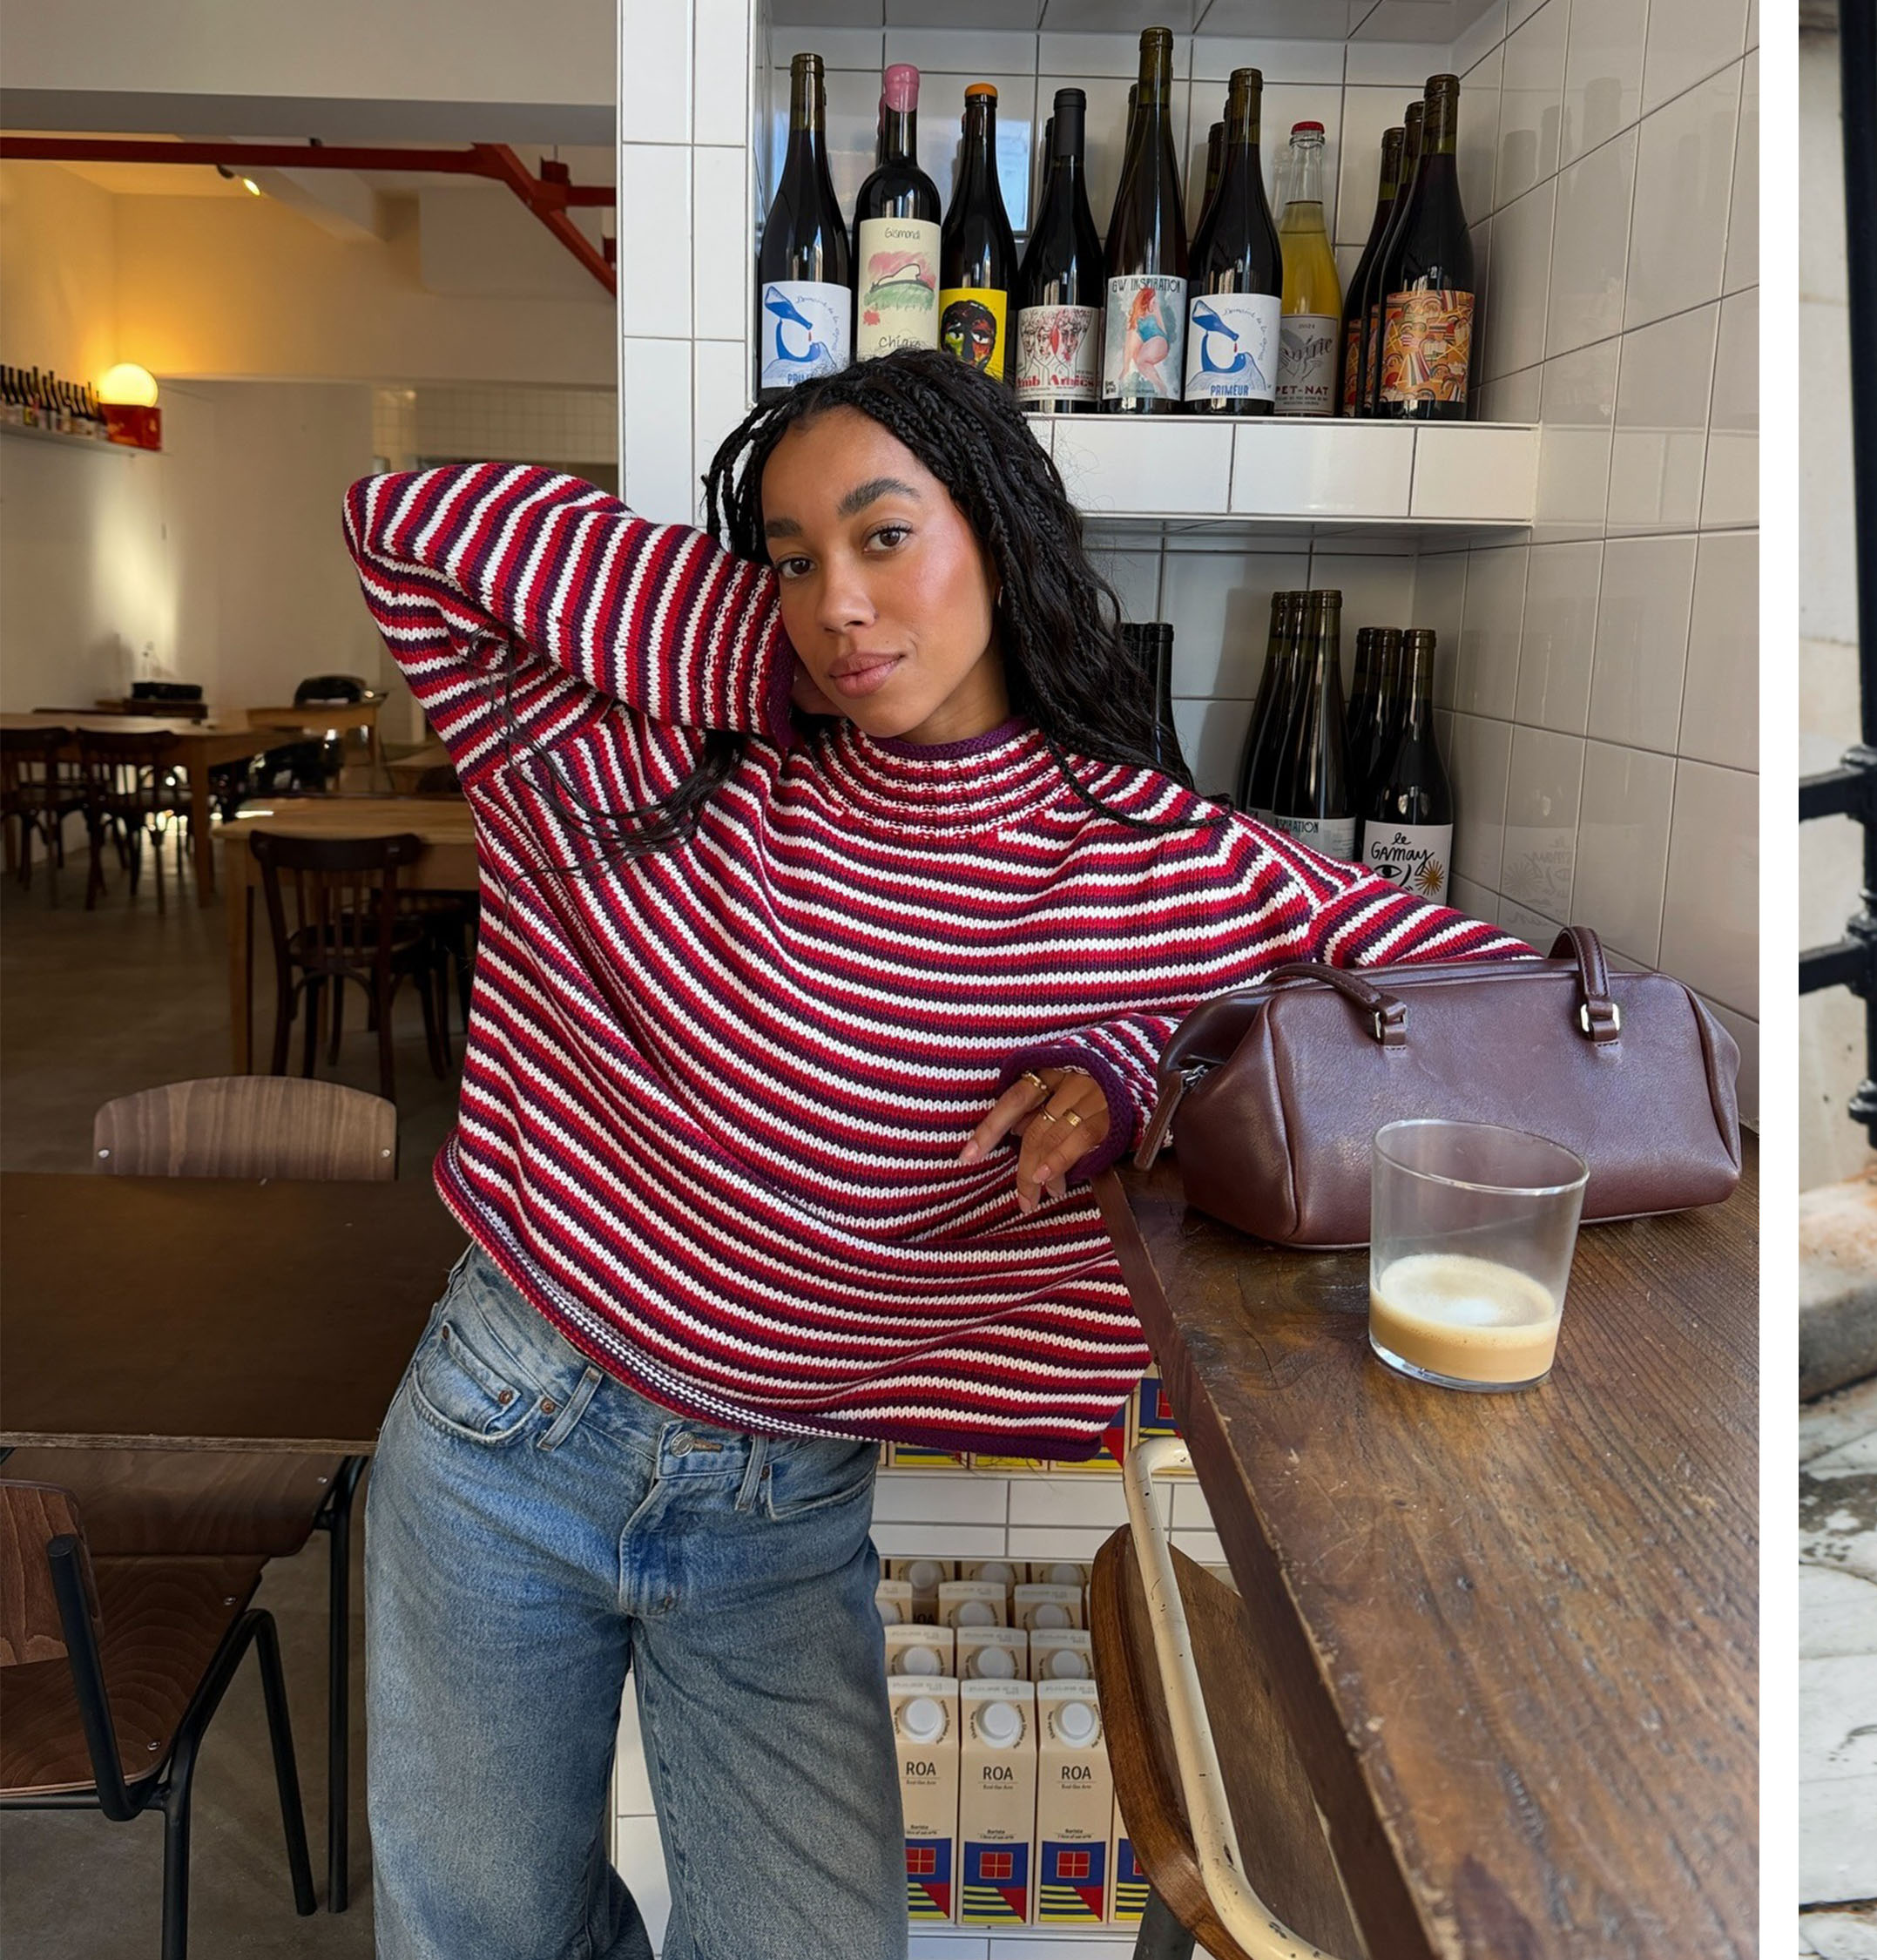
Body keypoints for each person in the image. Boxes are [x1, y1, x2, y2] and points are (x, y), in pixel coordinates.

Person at [341, 348, 1521, 1956]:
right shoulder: (650, 774)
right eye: (793, 555)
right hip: (503, 1437)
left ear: (1003, 535)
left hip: (781, 1503)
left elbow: (1488, 1011)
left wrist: (1146, 1077)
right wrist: (762, 639)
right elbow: (406, 520)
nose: (837, 597)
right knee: (483, 1937)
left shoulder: (1158, 869)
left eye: (886, 535)